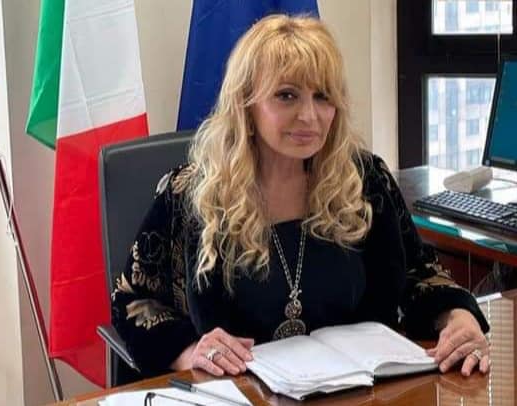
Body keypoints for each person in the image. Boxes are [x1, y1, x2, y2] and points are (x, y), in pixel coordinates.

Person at [111, 14, 490, 380]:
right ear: (246, 104)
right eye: (287, 96)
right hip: (241, 392)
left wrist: (458, 318)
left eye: (323, 97)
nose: (309, 116)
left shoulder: (365, 181)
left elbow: (419, 272)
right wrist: (190, 352)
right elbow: (133, 301)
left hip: (360, 391)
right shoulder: (192, 193)